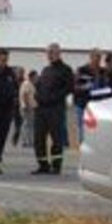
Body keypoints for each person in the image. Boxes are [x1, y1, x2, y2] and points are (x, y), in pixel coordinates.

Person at [33, 44, 74, 175]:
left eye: (52, 52)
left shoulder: (66, 70)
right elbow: (39, 86)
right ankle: (43, 165)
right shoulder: (46, 69)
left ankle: (56, 166)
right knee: (38, 138)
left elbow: (69, 88)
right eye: (47, 52)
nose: (49, 55)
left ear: (58, 53)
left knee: (56, 139)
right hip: (41, 109)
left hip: (55, 108)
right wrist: (36, 97)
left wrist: (54, 97)